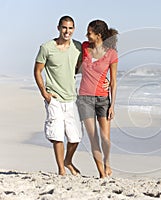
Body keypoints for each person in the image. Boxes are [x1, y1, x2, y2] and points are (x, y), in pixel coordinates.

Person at [34, 16, 82, 176]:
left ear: (74, 29)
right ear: (58, 28)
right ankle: (61, 170)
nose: (67, 31)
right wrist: (45, 93)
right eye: (64, 28)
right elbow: (37, 71)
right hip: (54, 98)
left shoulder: (78, 47)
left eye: (70, 28)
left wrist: (105, 80)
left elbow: (84, 68)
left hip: (71, 98)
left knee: (75, 138)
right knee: (57, 135)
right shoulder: (47, 47)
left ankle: (68, 161)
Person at [76, 19, 118, 178]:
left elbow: (113, 81)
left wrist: (112, 105)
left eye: (89, 33)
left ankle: (107, 162)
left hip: (102, 99)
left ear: (99, 35)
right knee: (93, 138)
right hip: (85, 99)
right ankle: (101, 173)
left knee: (105, 139)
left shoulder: (111, 54)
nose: (86, 35)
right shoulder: (84, 47)